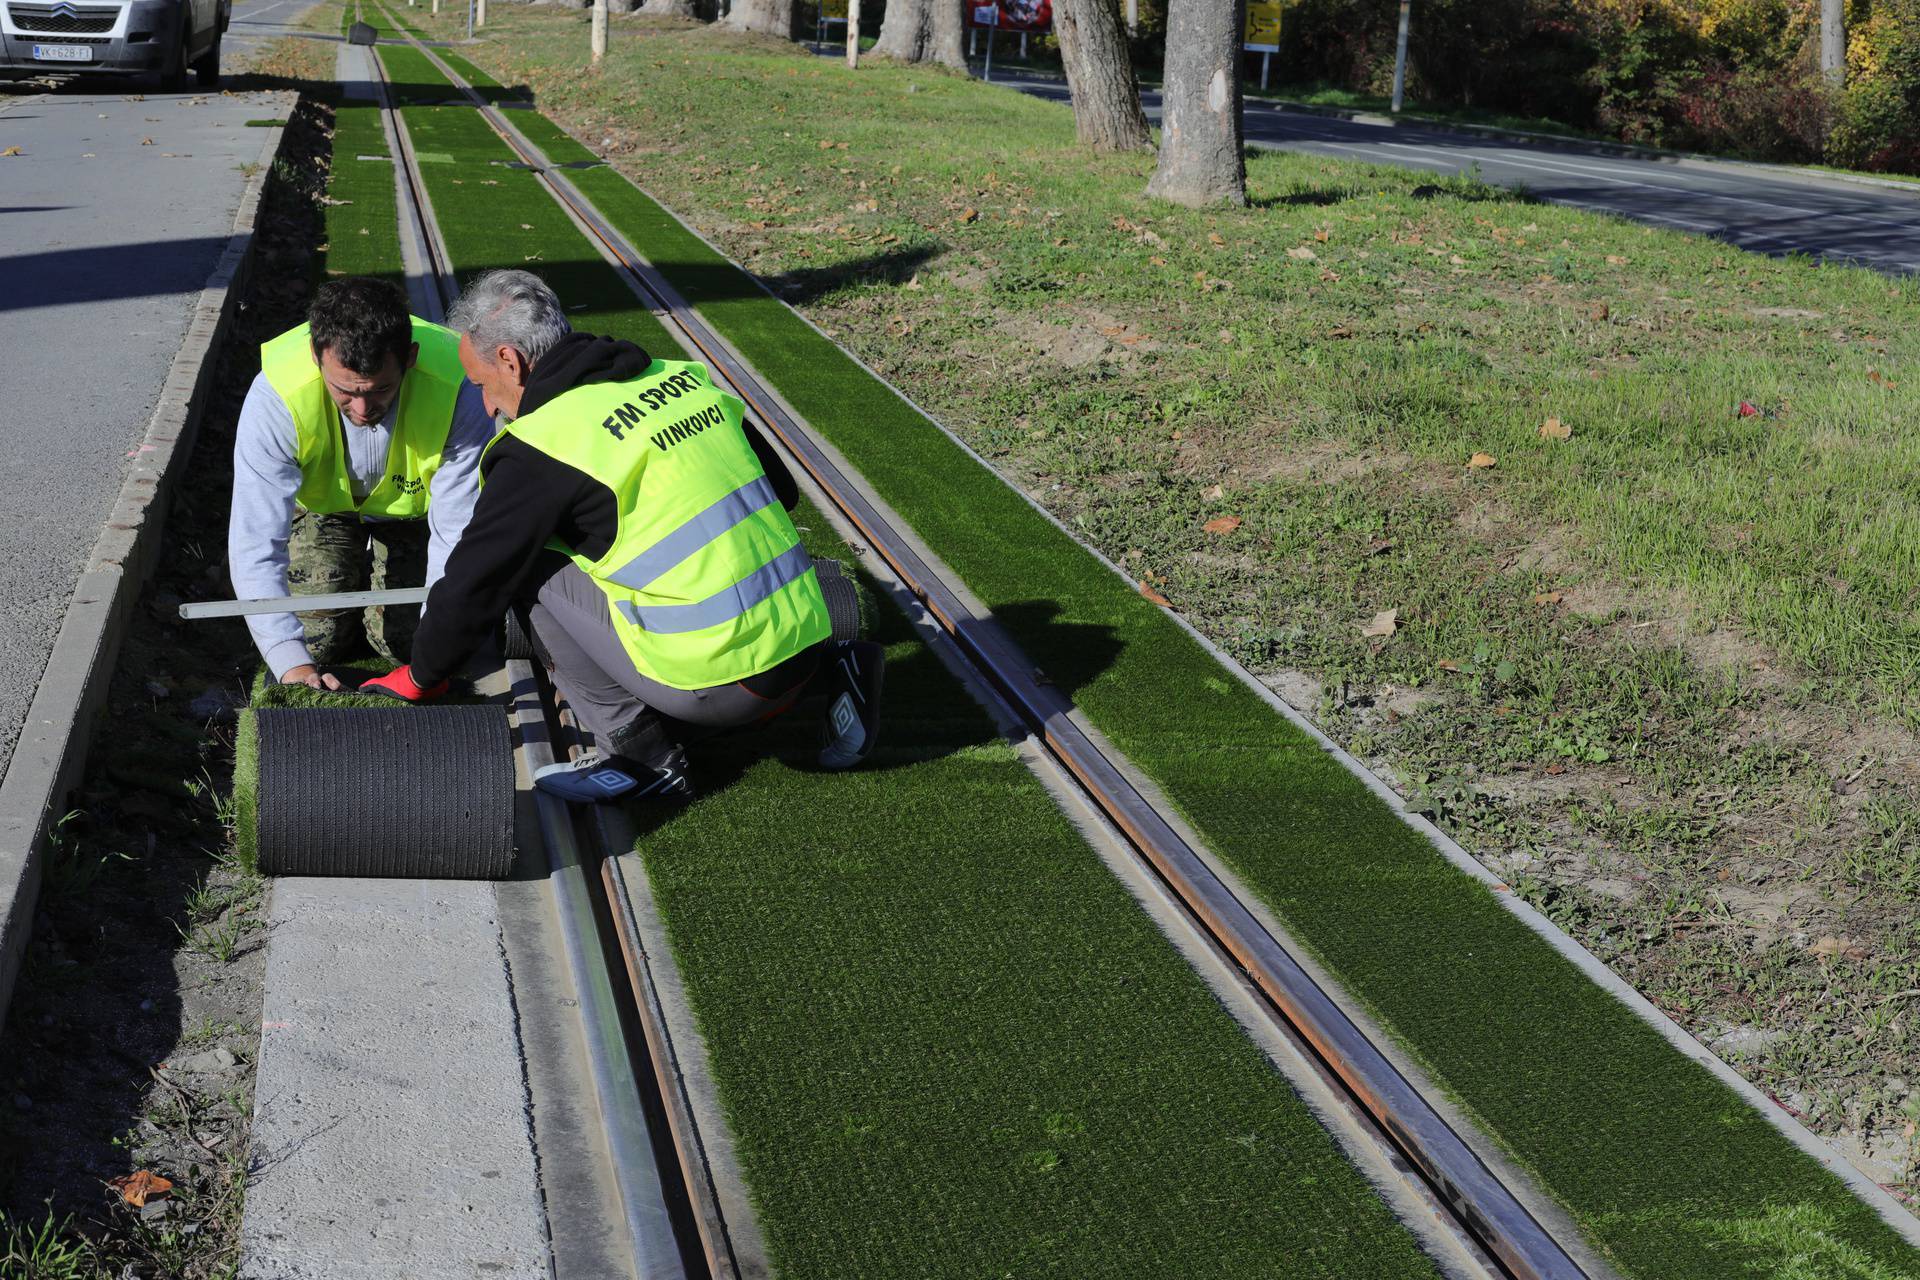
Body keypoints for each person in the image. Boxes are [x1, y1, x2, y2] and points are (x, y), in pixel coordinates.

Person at [360, 269, 885, 802]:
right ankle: (834, 673)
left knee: (528, 563)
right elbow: (781, 491)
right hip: (804, 636)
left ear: (510, 362)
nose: (489, 406)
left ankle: (642, 753)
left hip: (716, 686)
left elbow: (475, 581)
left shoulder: (540, 446)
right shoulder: (679, 378)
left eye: (480, 386)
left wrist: (422, 674)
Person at [228, 278, 494, 689]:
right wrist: (291, 662)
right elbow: (255, 539)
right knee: (316, 644)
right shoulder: (275, 397)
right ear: (317, 357)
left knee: (407, 644)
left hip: (413, 516)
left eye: (380, 390)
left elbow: (456, 532)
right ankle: (347, 584)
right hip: (324, 510)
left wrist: (432, 658)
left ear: (410, 358)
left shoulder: (459, 388)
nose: (363, 408)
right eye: (345, 392)